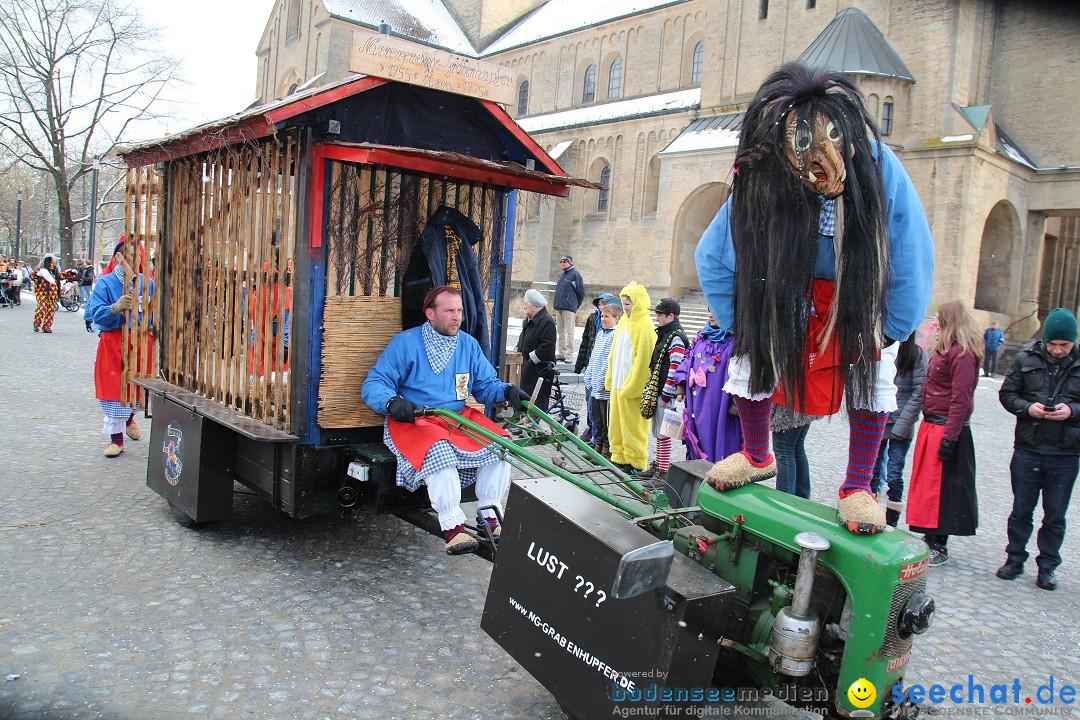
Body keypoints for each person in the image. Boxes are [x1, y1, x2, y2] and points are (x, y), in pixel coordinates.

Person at [695, 63, 934, 534]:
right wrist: (743, 324)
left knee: (873, 369)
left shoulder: (881, 167)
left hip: (858, 293)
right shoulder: (763, 177)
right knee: (750, 361)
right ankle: (757, 454)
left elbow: (909, 246)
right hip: (789, 290)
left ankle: (858, 486)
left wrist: (892, 327)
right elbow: (715, 253)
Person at [361, 285, 529, 555]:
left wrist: (507, 391)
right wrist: (392, 403)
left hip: (456, 418)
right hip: (418, 419)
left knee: (501, 444)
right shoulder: (405, 343)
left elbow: (485, 385)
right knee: (438, 451)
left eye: (459, 310)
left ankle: (489, 516)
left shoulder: (468, 345)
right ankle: (452, 527)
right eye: (449, 310)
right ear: (430, 313)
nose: (456, 317)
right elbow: (375, 383)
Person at [996, 308, 1080, 591]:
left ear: (1073, 342)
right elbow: (1007, 394)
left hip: (1065, 453)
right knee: (1021, 509)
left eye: (1064, 345)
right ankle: (1014, 558)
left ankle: (1047, 566)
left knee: (1055, 514)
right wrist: (1027, 407)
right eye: (1052, 344)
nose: (1057, 350)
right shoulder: (1026, 358)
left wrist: (1072, 410)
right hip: (1028, 448)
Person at [906, 300, 982, 566]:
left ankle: (940, 542)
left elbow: (961, 399)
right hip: (932, 425)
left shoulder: (963, 354)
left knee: (943, 490)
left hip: (946, 428)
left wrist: (950, 438)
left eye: (939, 318)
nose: (935, 322)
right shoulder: (946, 349)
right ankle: (928, 536)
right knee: (928, 487)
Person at [85, 241, 151, 457]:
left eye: (139, 256)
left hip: (140, 344)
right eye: (132, 256)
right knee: (115, 390)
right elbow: (96, 315)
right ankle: (117, 439)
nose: (136, 260)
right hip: (114, 343)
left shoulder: (146, 283)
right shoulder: (105, 283)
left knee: (136, 388)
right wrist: (114, 308)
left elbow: (157, 312)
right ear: (119, 258)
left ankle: (130, 418)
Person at [871, 336, 927, 526]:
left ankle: (891, 522)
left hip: (901, 423)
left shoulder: (915, 354)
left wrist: (902, 425)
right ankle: (871, 513)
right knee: (873, 470)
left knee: (894, 474)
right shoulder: (884, 347)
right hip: (882, 419)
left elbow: (919, 392)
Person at [674, 314, 742, 463]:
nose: (711, 314)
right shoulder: (701, 337)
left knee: (718, 443)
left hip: (720, 406)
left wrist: (738, 403)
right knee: (696, 441)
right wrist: (681, 384)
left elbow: (744, 373)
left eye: (716, 310)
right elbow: (687, 359)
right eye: (709, 310)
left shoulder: (737, 341)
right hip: (696, 404)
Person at [605, 282, 655, 473]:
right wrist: (610, 377)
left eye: (629, 304)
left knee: (633, 426)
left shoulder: (644, 326)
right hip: (618, 383)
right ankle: (618, 455)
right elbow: (614, 353)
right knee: (616, 423)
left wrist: (634, 385)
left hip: (631, 386)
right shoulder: (624, 323)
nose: (625, 308)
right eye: (624, 303)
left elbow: (643, 361)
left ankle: (635, 460)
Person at [637, 298, 688, 484]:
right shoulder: (668, 333)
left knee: (664, 433)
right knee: (658, 431)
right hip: (659, 390)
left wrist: (666, 394)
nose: (657, 317)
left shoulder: (676, 337)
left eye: (660, 314)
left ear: (671, 315)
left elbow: (675, 368)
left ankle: (663, 473)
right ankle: (658, 466)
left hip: (664, 393)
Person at [575, 291, 616, 443]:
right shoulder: (593, 319)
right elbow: (586, 341)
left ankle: (600, 440)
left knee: (603, 411)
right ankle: (593, 432)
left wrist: (600, 378)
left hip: (603, 375)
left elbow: (608, 358)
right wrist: (580, 365)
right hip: (592, 366)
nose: (601, 308)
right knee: (590, 403)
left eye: (604, 304)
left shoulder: (614, 331)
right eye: (599, 304)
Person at [583, 300, 622, 458]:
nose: (604, 319)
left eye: (607, 316)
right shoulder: (600, 333)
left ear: (617, 318)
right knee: (596, 418)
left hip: (604, 386)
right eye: (602, 316)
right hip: (594, 385)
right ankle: (597, 443)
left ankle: (606, 447)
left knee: (606, 419)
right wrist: (589, 376)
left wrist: (600, 380)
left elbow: (608, 360)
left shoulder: (615, 334)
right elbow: (594, 357)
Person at [517, 289, 557, 412]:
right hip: (527, 367)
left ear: (534, 305)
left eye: (526, 303)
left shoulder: (547, 322)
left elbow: (547, 347)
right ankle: (523, 422)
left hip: (540, 371)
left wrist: (530, 360)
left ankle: (533, 425)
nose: (524, 306)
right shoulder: (528, 320)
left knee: (537, 401)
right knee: (525, 396)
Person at [771, 405, 820, 500]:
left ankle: (785, 501)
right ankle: (802, 499)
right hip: (806, 403)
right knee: (797, 448)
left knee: (784, 450)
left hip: (789, 405)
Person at [553, 255, 585, 361]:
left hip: (569, 308)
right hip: (559, 307)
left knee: (569, 332)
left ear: (570, 263)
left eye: (565, 261)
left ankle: (569, 354)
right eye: (561, 261)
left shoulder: (575, 275)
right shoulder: (561, 275)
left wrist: (574, 305)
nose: (562, 263)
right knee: (560, 332)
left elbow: (581, 292)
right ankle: (561, 353)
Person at [33, 254, 62, 333]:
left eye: (55, 263)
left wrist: (71, 273)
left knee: (50, 311)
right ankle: (36, 324)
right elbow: (33, 276)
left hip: (52, 295)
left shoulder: (55, 272)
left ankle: (47, 327)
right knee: (41, 308)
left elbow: (62, 276)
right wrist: (36, 274)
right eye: (52, 262)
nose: (54, 264)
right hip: (42, 294)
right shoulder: (41, 271)